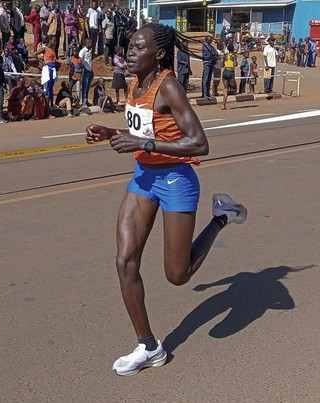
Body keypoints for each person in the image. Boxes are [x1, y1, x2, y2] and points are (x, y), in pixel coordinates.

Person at [84, 23, 247, 377]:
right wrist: (112, 133)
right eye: (129, 45)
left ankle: (221, 216)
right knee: (125, 262)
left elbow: (200, 144)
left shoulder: (168, 86)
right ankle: (149, 346)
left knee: (178, 275)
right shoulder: (135, 83)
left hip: (176, 181)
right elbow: (146, 131)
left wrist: (143, 145)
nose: (129, 52)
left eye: (137, 47)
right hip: (143, 178)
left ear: (157, 54)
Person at [33, 36, 58, 107]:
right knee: (47, 87)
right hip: (48, 69)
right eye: (54, 41)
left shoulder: (53, 49)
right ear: (50, 41)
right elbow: (34, 54)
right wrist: (42, 62)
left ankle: (51, 104)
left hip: (53, 69)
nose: (55, 43)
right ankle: (46, 105)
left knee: (51, 87)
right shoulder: (45, 49)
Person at [220, 44, 237, 110]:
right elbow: (235, 65)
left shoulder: (225, 55)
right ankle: (227, 91)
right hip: (231, 72)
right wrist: (234, 60)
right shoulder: (234, 55)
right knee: (234, 89)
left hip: (225, 71)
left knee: (225, 88)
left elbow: (222, 65)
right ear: (233, 49)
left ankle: (224, 104)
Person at [79, 38, 94, 106]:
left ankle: (86, 100)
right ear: (87, 43)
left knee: (88, 87)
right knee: (84, 87)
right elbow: (81, 60)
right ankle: (84, 102)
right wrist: (85, 68)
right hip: (85, 71)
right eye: (90, 43)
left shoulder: (90, 50)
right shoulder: (82, 51)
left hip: (90, 70)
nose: (92, 44)